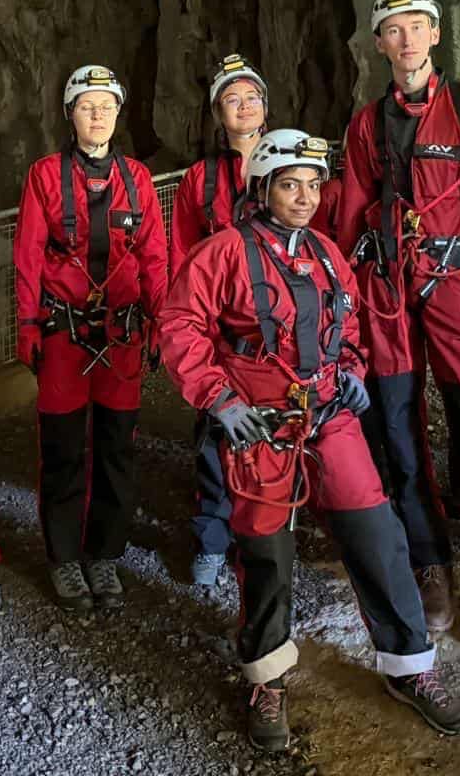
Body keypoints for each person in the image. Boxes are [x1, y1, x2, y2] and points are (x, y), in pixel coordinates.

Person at [161, 129, 460, 750]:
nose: (305, 197)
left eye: (312, 184)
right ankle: (267, 677)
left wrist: (352, 371)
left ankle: (410, 664)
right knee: (266, 552)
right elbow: (179, 323)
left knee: (377, 532)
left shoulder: (327, 253)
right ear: (262, 189)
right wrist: (220, 399)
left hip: (328, 414)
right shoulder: (223, 253)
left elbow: (347, 325)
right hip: (261, 423)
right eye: (289, 185)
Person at [335, 0, 460, 656]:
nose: (407, 39)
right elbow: (350, 215)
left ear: (435, 34)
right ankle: (431, 564)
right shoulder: (366, 126)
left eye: (417, 25)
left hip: (458, 284)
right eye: (394, 29)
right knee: (396, 428)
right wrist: (350, 308)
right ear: (380, 43)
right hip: (389, 289)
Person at [15, 64, 168, 612]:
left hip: (122, 334)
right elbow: (28, 253)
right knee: (62, 450)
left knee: (116, 448)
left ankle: (104, 553)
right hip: (64, 330)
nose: (98, 115)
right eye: (87, 106)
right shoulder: (44, 176)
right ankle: (64, 557)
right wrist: (27, 323)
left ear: (118, 113)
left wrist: (160, 320)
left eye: (106, 106)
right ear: (70, 114)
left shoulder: (137, 179)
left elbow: (154, 256)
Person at [169, 53, 270, 587]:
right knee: (215, 433)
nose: (244, 106)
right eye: (232, 99)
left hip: (275, 328)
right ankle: (212, 537)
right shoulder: (200, 179)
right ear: (217, 113)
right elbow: (182, 256)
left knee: (275, 431)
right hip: (220, 330)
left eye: (252, 97)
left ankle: (265, 536)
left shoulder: (288, 162)